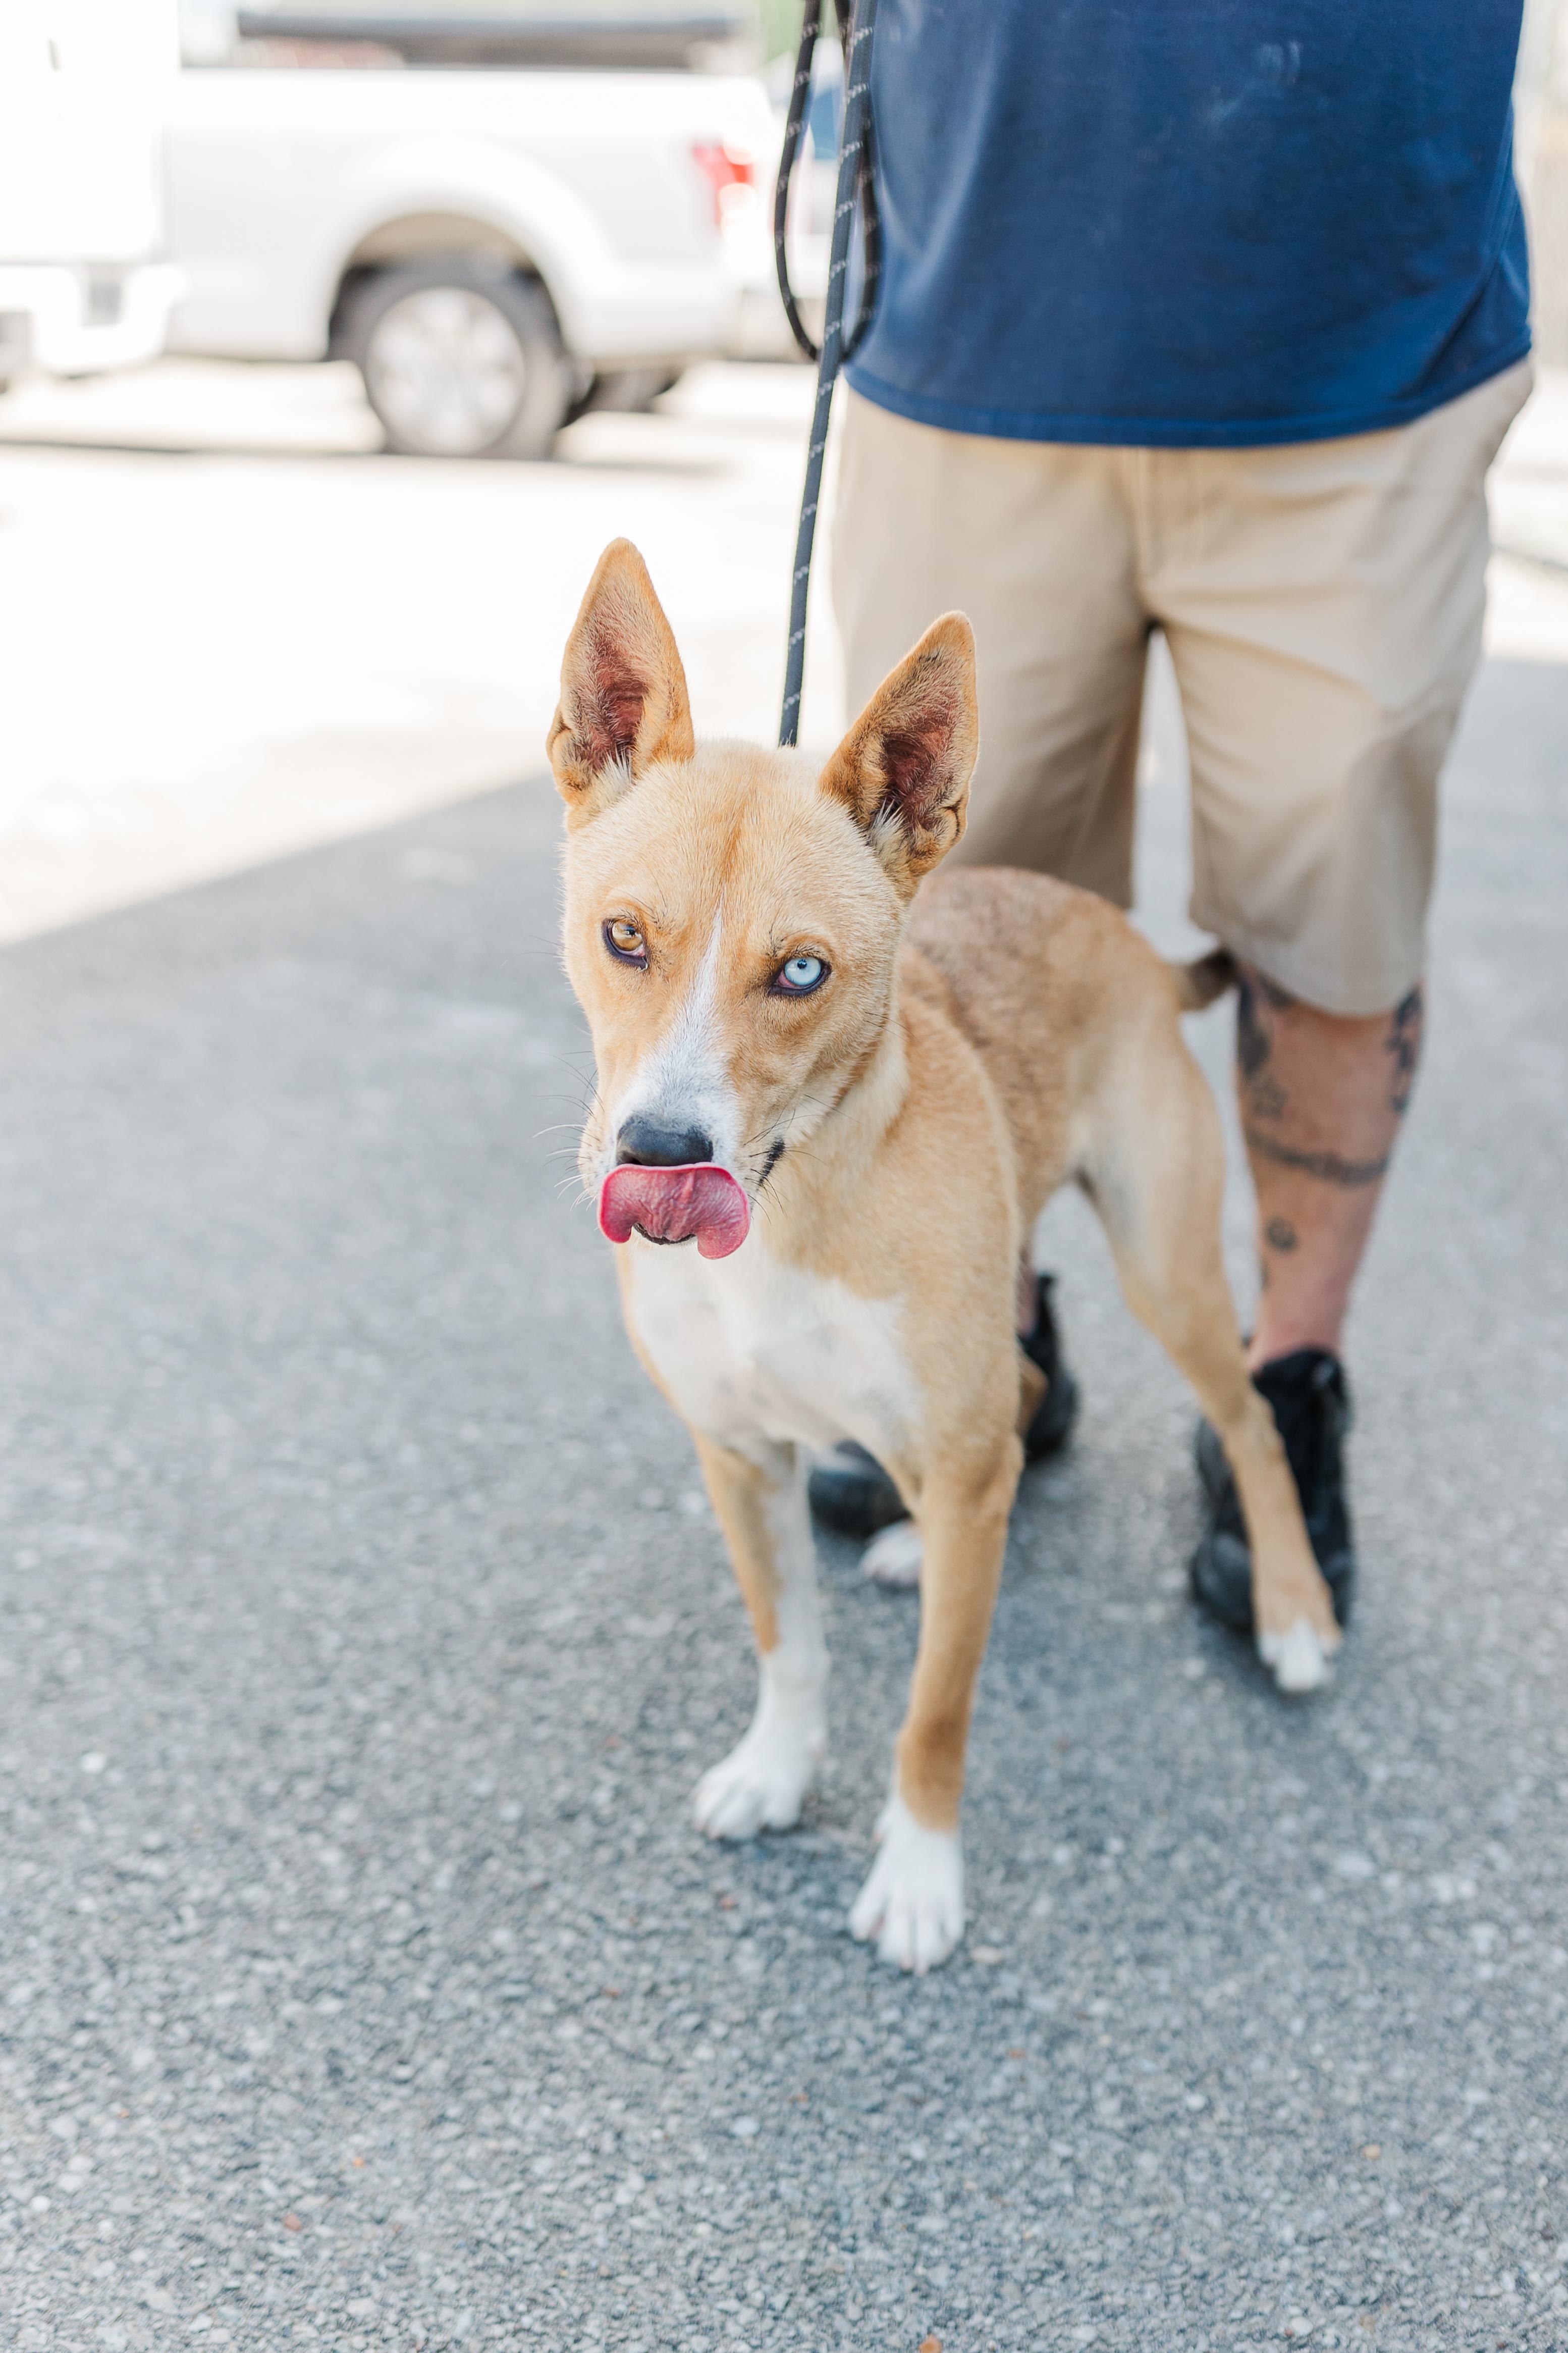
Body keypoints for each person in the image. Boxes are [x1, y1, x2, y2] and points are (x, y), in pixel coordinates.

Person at [808, 1, 1532, 1635]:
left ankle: (1285, 1385)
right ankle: (976, 1334)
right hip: (968, 330)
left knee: (1334, 920)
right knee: (941, 925)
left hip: (1367, 350)